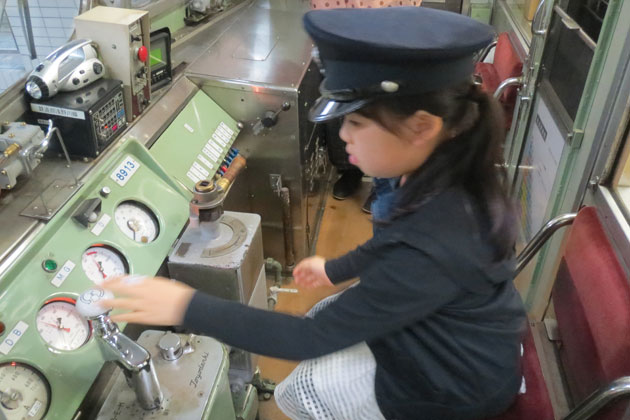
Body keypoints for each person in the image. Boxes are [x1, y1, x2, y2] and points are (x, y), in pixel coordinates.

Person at [102, 7, 526, 420]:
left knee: (313, 372)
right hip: (441, 332)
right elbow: (390, 240)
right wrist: (336, 269)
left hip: (452, 387)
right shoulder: (424, 170)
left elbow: (309, 339)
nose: (343, 135)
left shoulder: (436, 240)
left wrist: (184, 306)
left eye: (357, 123)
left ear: (421, 127)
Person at [310, 0, 422, 208]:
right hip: (339, 30)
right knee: (344, 114)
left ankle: (384, 186)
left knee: (382, 118)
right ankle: (350, 170)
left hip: (386, 33)